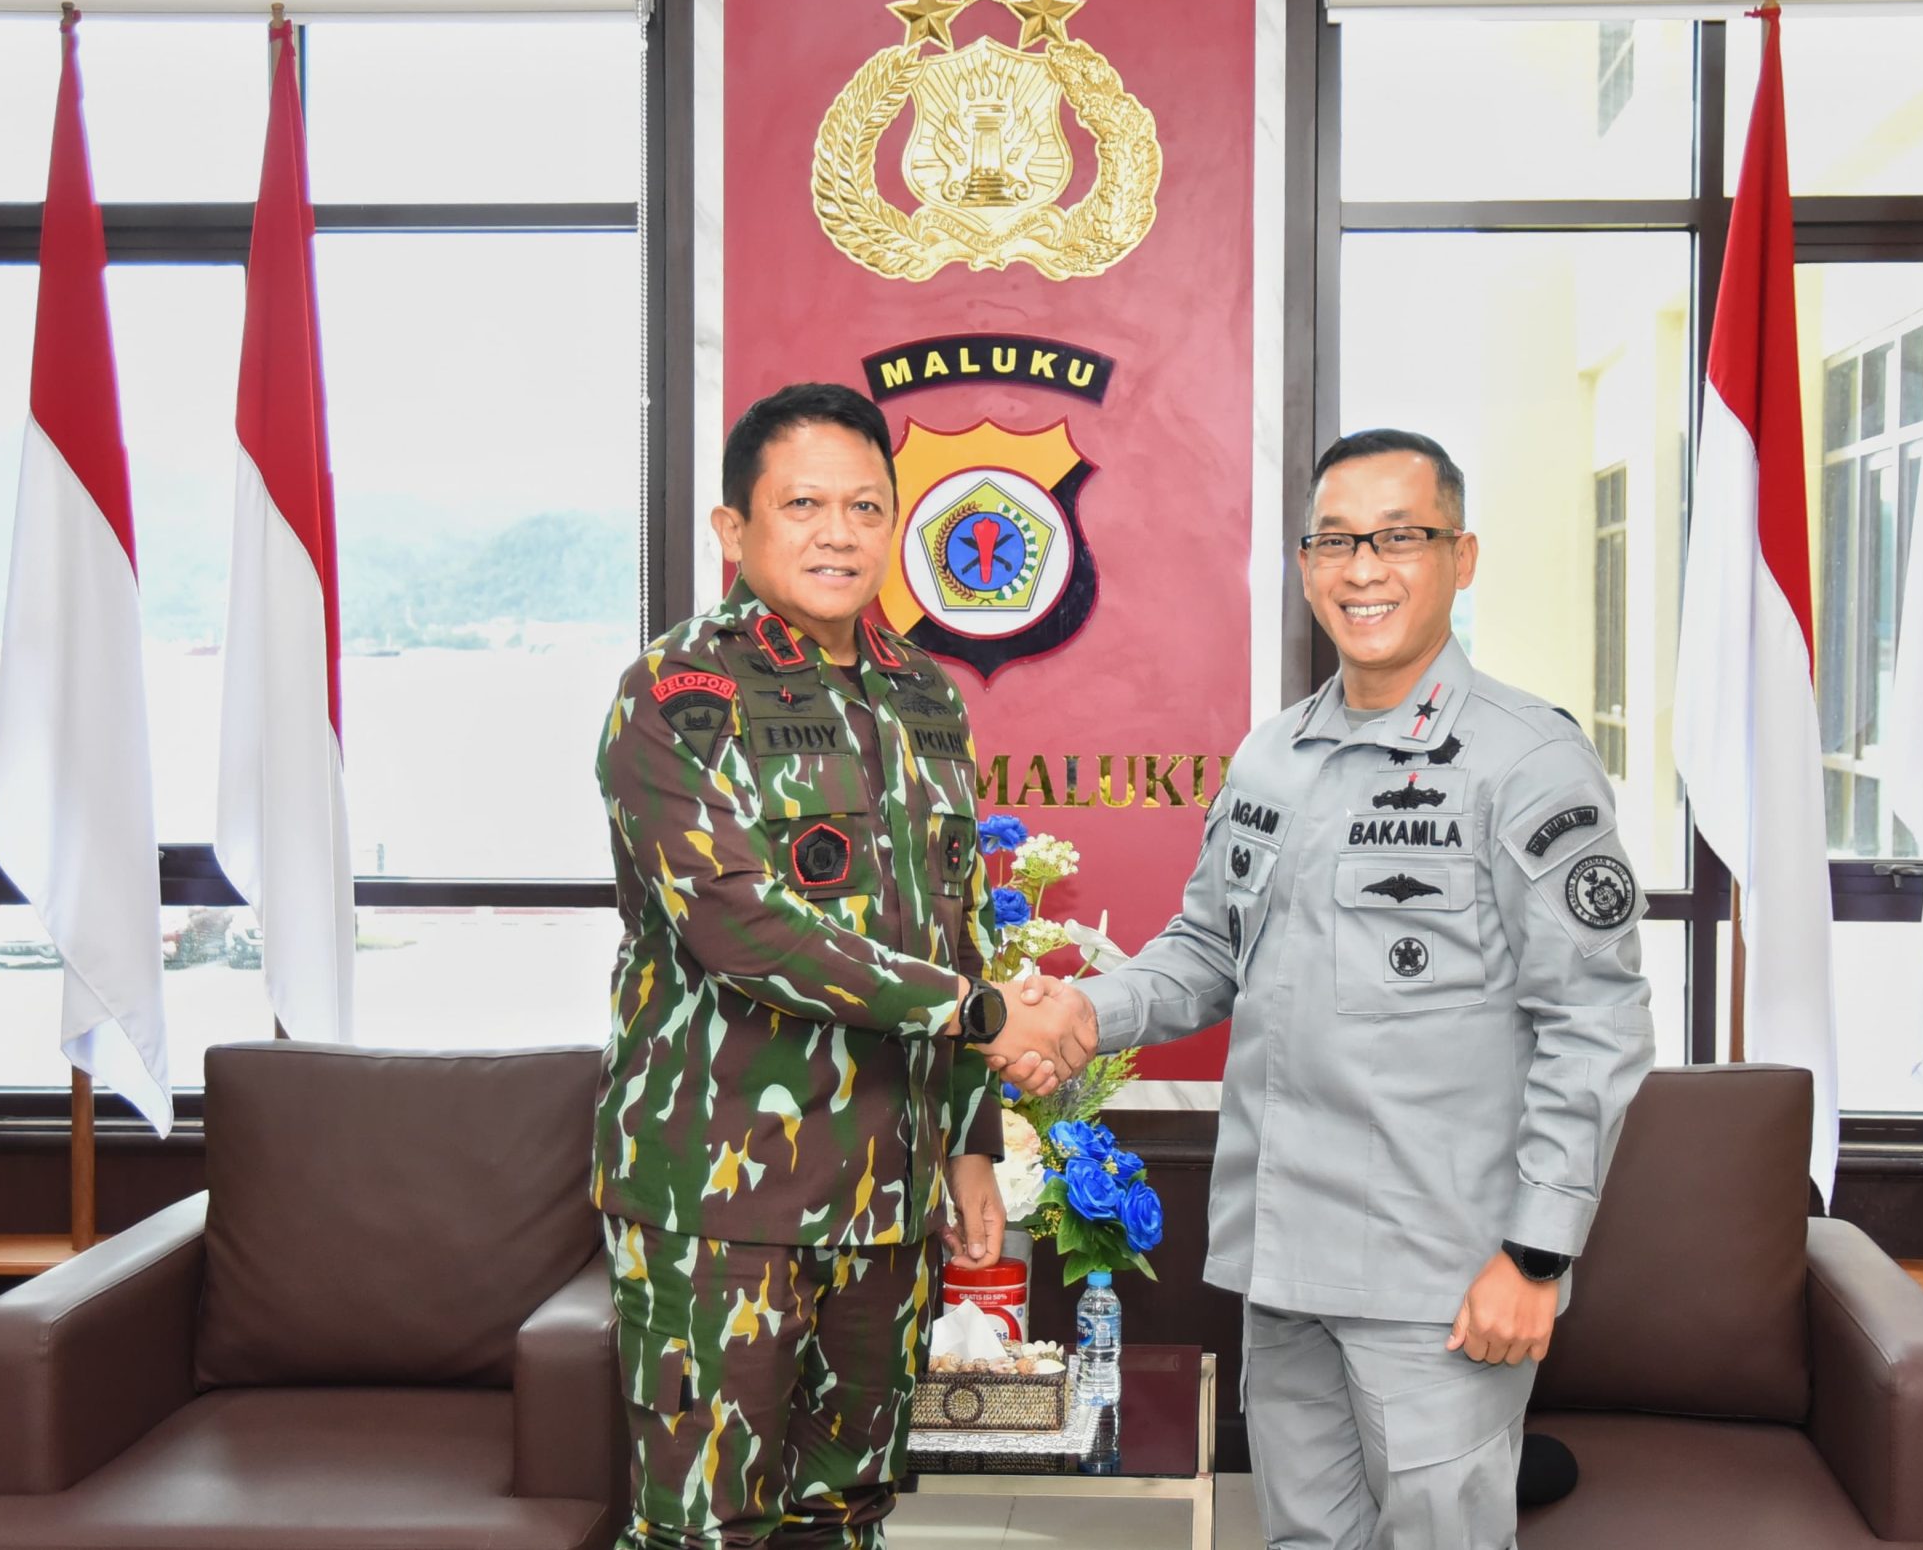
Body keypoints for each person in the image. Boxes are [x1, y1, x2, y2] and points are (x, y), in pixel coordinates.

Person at [994, 429, 1654, 1550]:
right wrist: (1082, 1012)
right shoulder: (1272, 757)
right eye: (1336, 542)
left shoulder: (1525, 762)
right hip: (1282, 1260)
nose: (1364, 569)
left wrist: (1537, 1254)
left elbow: (1596, 1021)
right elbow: (1207, 950)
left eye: (1400, 537)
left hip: (1439, 1277)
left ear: (1461, 557)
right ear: (1304, 568)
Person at [593, 382, 1016, 1550]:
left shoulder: (925, 695)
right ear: (733, 527)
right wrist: (982, 1010)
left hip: (890, 1196)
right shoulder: (676, 695)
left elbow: (956, 925)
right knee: (705, 1526)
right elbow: (742, 929)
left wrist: (971, 1142)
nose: (840, 532)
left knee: (845, 1510)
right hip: (721, 1201)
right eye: (804, 505)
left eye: (865, 506)